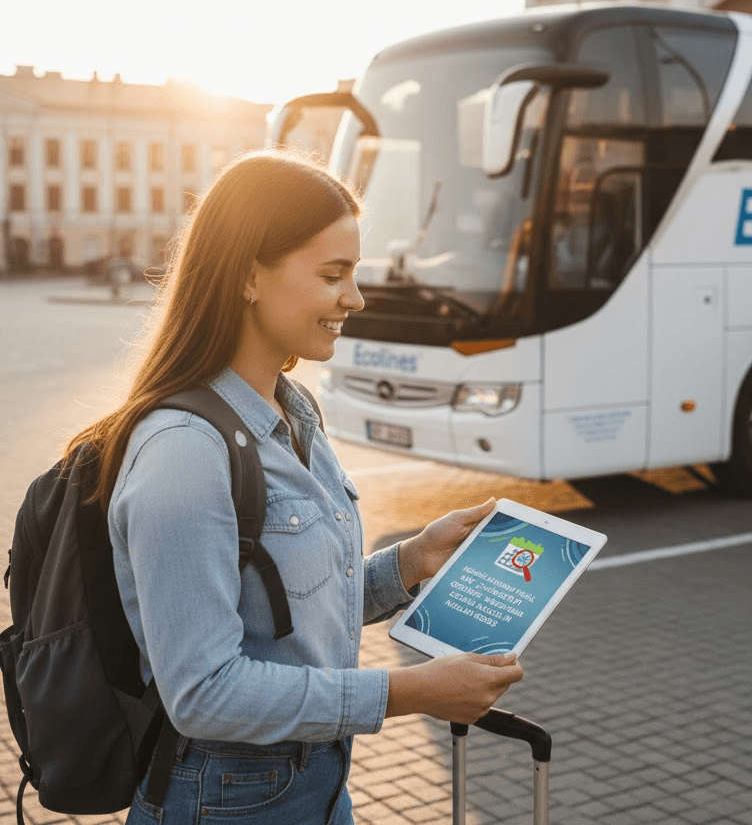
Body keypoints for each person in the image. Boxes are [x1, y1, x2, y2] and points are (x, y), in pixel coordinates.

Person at [68, 150, 523, 824]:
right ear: (250, 276)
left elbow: (285, 613)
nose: (356, 297)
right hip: (227, 799)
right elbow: (204, 693)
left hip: (315, 781)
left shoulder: (293, 410)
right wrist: (406, 692)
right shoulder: (183, 454)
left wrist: (413, 561)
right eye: (334, 274)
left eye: (356, 272)